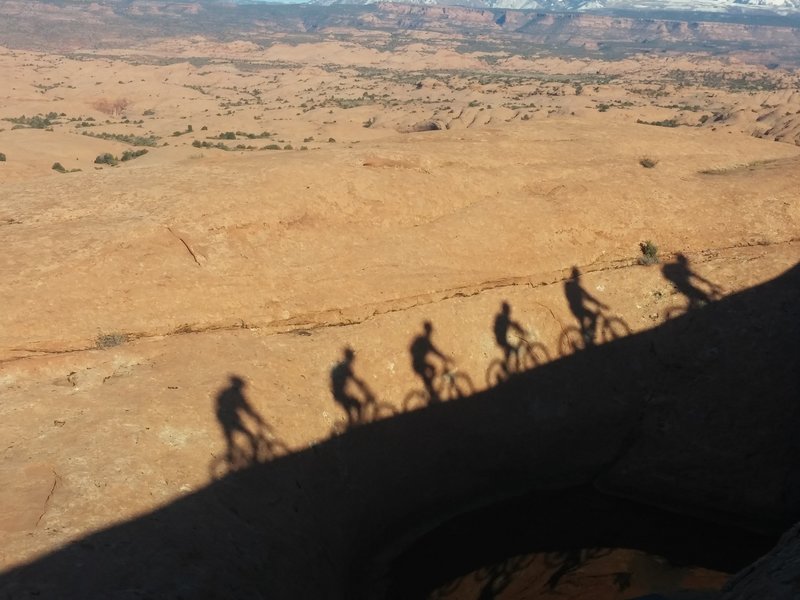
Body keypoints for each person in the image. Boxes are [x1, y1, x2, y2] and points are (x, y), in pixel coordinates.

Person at [215, 375, 266, 467]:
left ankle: (230, 455)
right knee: (250, 436)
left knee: (230, 439)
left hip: (222, 417)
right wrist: (257, 419)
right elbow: (246, 408)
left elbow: (218, 404)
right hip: (231, 418)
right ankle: (254, 460)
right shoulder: (237, 395)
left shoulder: (224, 392)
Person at [564, 267, 609, 344]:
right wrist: (599, 304)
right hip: (577, 307)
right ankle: (587, 336)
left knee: (584, 321)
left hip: (574, 307)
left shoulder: (570, 285)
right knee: (593, 316)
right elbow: (587, 297)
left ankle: (586, 336)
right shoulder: (576, 286)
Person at [330, 347, 373, 427]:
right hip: (340, 395)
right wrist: (366, 392)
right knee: (357, 405)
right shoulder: (345, 367)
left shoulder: (342, 365)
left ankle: (353, 425)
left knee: (351, 409)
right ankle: (356, 426)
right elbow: (356, 381)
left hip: (338, 394)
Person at [409, 321, 451, 403]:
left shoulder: (423, 340)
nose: (431, 332)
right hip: (418, 364)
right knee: (430, 370)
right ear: (428, 330)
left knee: (432, 369)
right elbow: (435, 351)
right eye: (430, 330)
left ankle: (430, 389)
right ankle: (430, 392)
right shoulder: (424, 340)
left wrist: (445, 358)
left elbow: (435, 351)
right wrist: (445, 358)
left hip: (418, 363)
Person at [493, 301, 526, 372]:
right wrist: (522, 331)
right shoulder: (504, 318)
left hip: (500, 338)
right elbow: (513, 324)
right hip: (501, 339)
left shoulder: (502, 317)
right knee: (513, 349)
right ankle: (510, 367)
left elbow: (512, 324)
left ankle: (506, 365)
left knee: (509, 350)